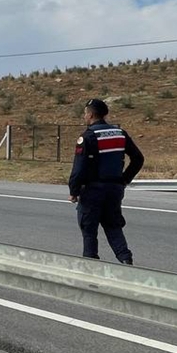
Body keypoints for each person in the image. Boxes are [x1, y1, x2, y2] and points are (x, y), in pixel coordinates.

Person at [68, 98, 144, 264]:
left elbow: (79, 169)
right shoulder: (120, 133)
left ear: (91, 114)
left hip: (93, 190)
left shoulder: (87, 137)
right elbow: (138, 158)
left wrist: (73, 191)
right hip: (115, 189)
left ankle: (91, 266)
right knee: (113, 226)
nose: (84, 116)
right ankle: (126, 261)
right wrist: (123, 180)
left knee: (89, 230)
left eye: (85, 113)